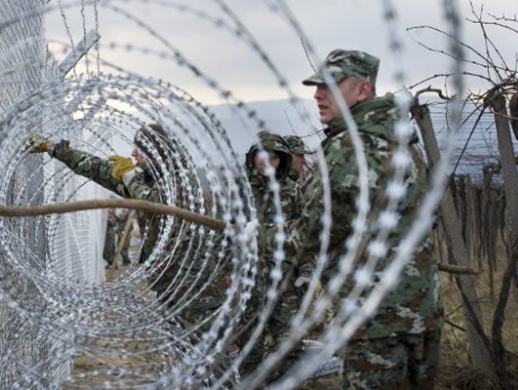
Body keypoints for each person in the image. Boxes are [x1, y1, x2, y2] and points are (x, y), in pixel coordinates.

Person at [270, 49, 443, 388]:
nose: (319, 95)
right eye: (317, 87)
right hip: (422, 312)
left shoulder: (348, 149)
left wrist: (258, 239)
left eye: (332, 86)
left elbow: (311, 236)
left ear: (363, 90)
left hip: (372, 322)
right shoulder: (406, 143)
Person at [30, 124, 233, 384]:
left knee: (207, 354)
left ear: (157, 152)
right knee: (187, 354)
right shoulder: (144, 178)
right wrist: (53, 148)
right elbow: (95, 168)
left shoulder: (181, 179)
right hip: (172, 284)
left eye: (141, 150)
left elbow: (156, 206)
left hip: (197, 285)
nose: (134, 155)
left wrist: (130, 178)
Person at [236, 131, 305, 379]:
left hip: (284, 282)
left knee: (289, 344)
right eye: (262, 156)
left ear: (282, 161)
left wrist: (305, 273)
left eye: (274, 158)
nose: (267, 163)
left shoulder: (292, 192)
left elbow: (306, 235)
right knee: (249, 347)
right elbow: (223, 233)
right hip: (249, 279)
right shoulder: (240, 191)